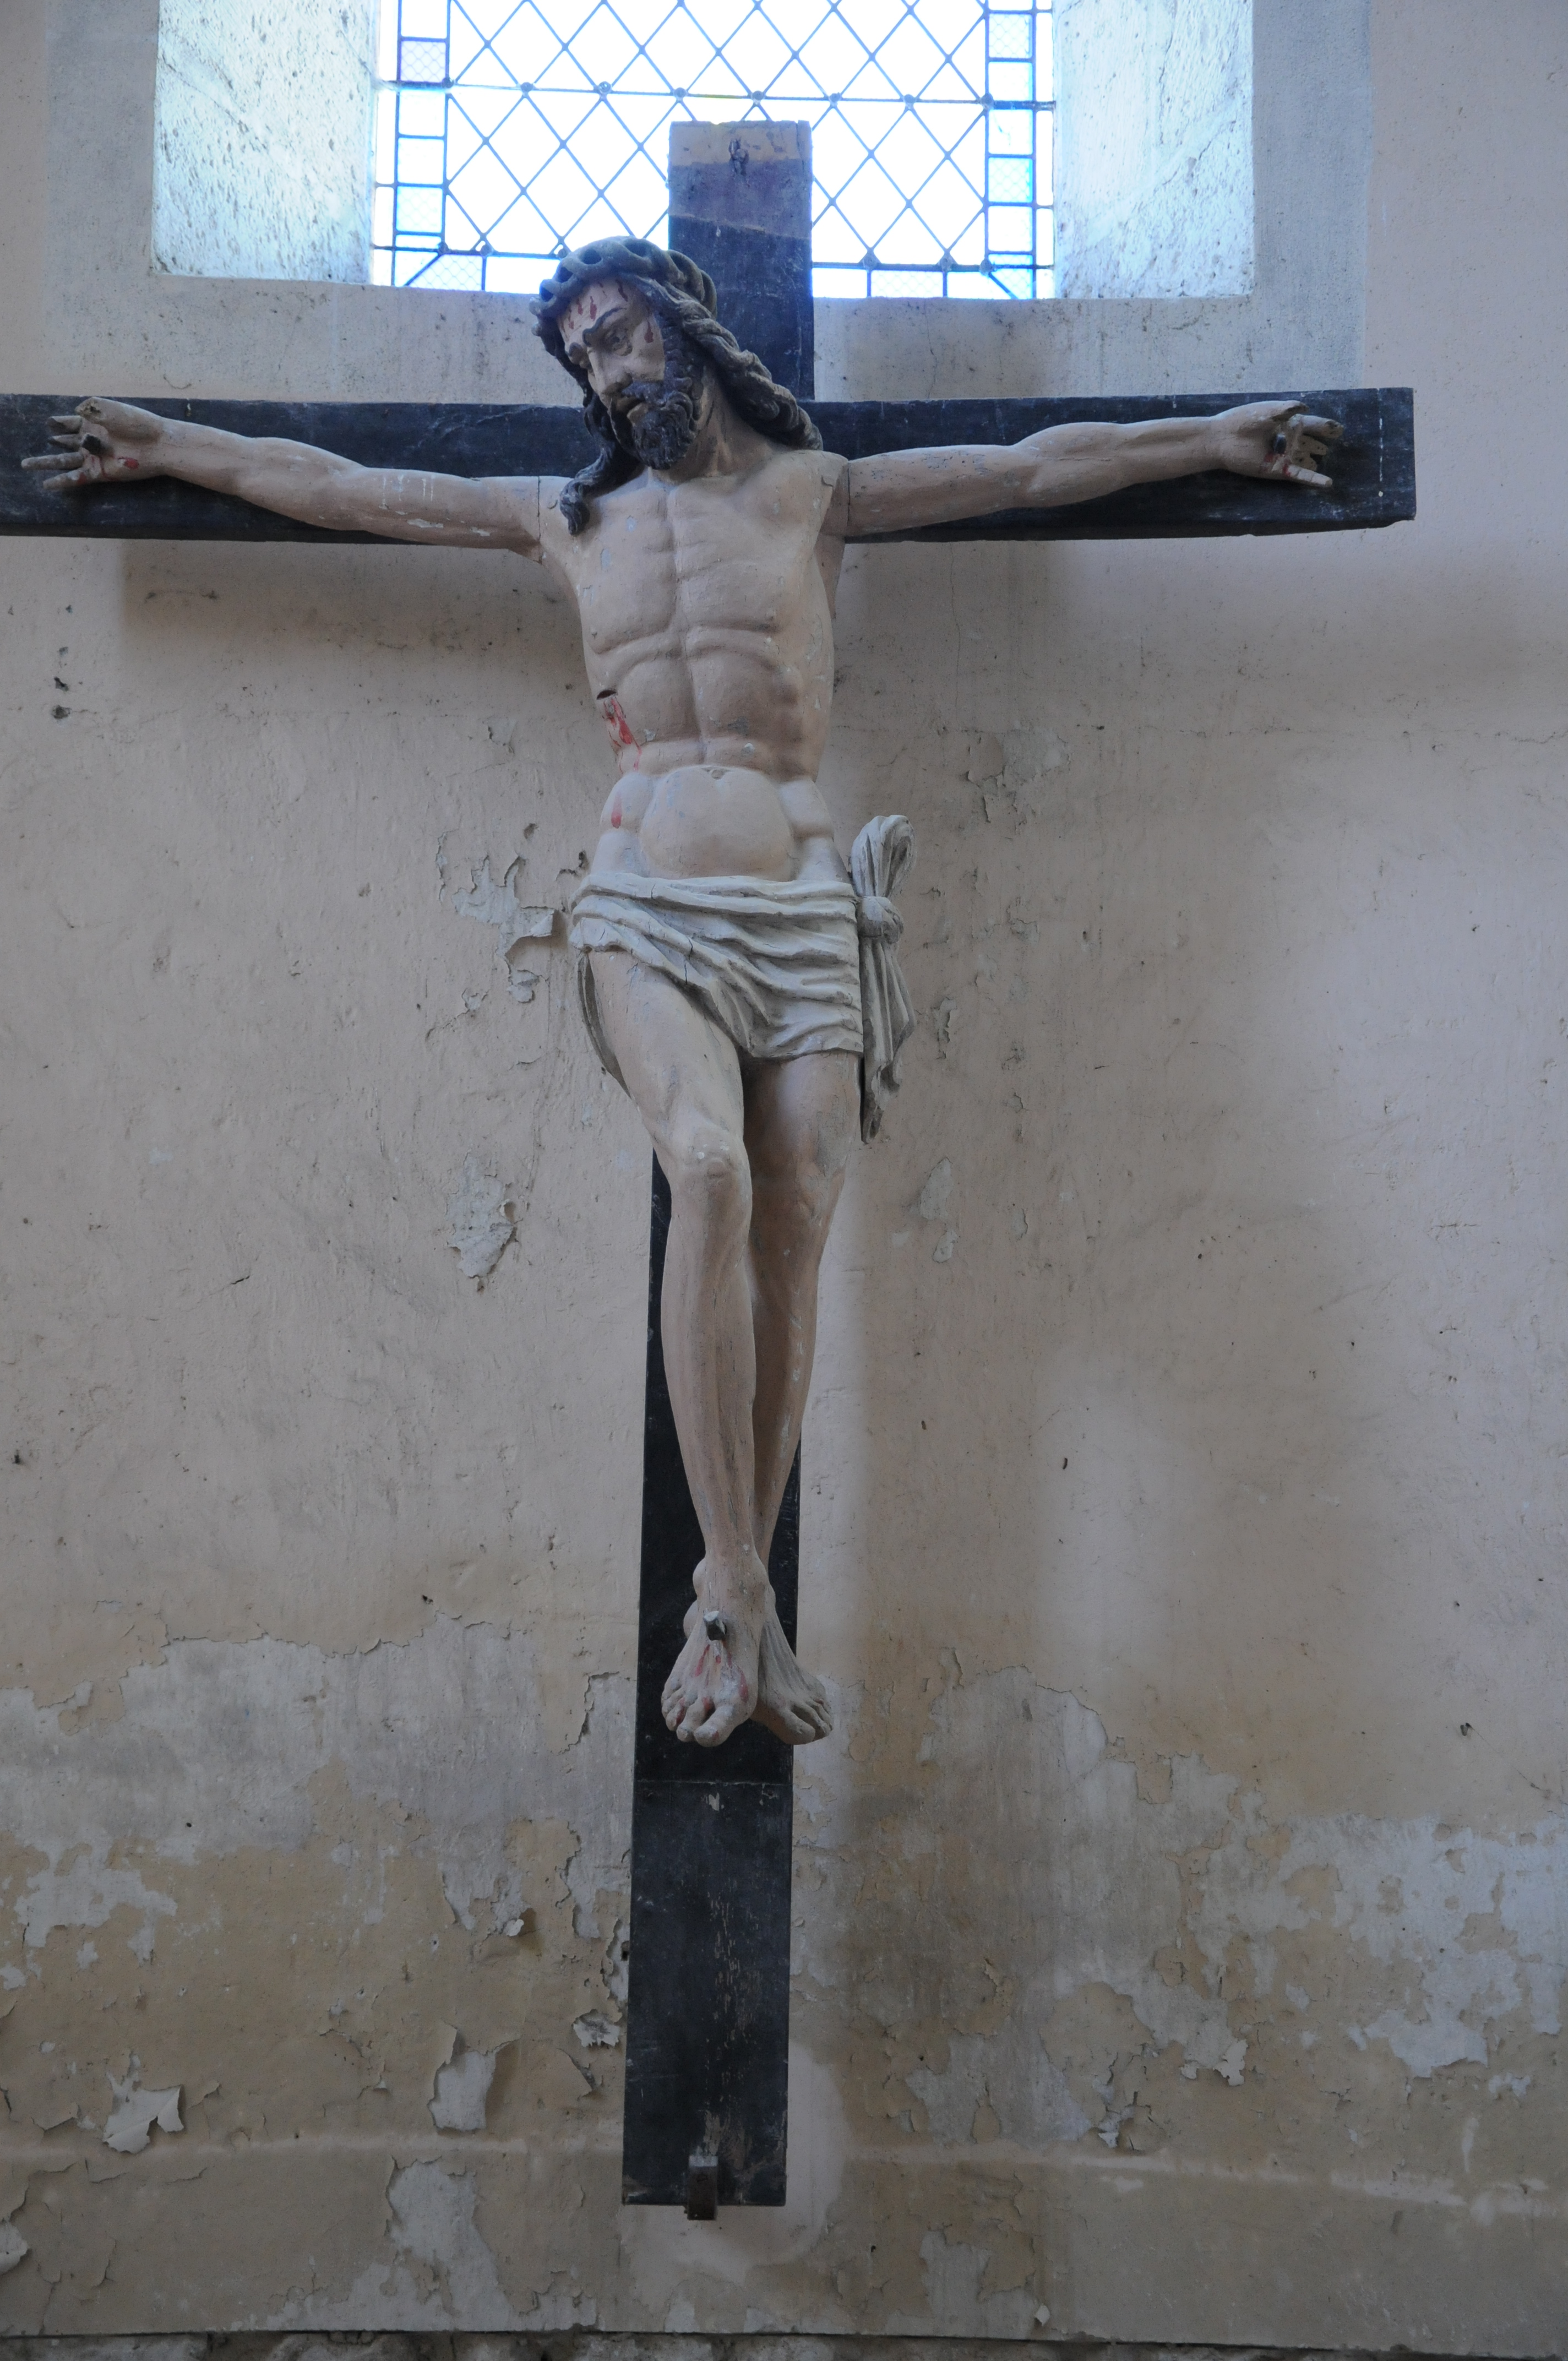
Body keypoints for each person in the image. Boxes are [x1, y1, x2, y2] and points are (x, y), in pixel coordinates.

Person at [24, 237, 1340, 1750]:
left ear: (687, 329)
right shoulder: (566, 523)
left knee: (795, 1242)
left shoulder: (817, 496)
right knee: (705, 1176)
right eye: (581, 355)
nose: (604, 370)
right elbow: (335, 483)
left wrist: (1217, 441)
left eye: (618, 335)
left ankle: (749, 1609)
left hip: (802, 916)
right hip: (649, 903)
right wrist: (169, 445)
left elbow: (1040, 469)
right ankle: (731, 1586)